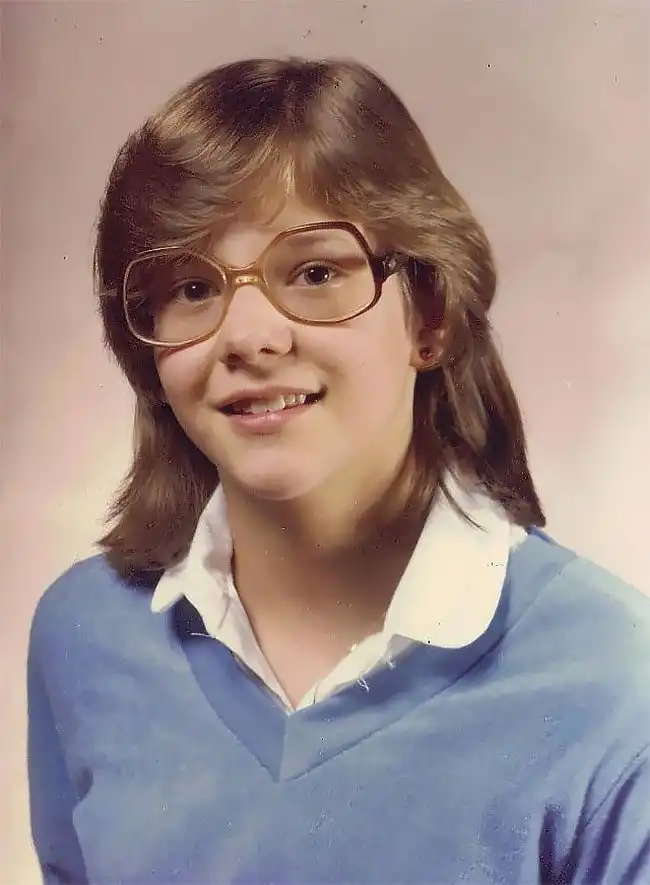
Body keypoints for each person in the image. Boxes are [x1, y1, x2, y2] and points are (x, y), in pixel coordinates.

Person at [27, 57, 650, 885]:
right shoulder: (84, 633)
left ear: (430, 315)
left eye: (316, 271)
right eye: (192, 287)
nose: (248, 335)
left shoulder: (616, 681)